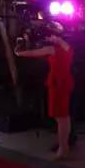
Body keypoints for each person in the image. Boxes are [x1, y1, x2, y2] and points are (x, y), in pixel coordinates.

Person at [15, 24, 73, 160]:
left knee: (61, 118)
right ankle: (64, 147)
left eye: (49, 36)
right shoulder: (66, 46)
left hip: (57, 83)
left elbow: (32, 53)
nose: (47, 38)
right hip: (65, 81)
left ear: (54, 35)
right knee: (64, 117)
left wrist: (18, 52)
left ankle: (63, 149)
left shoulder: (52, 48)